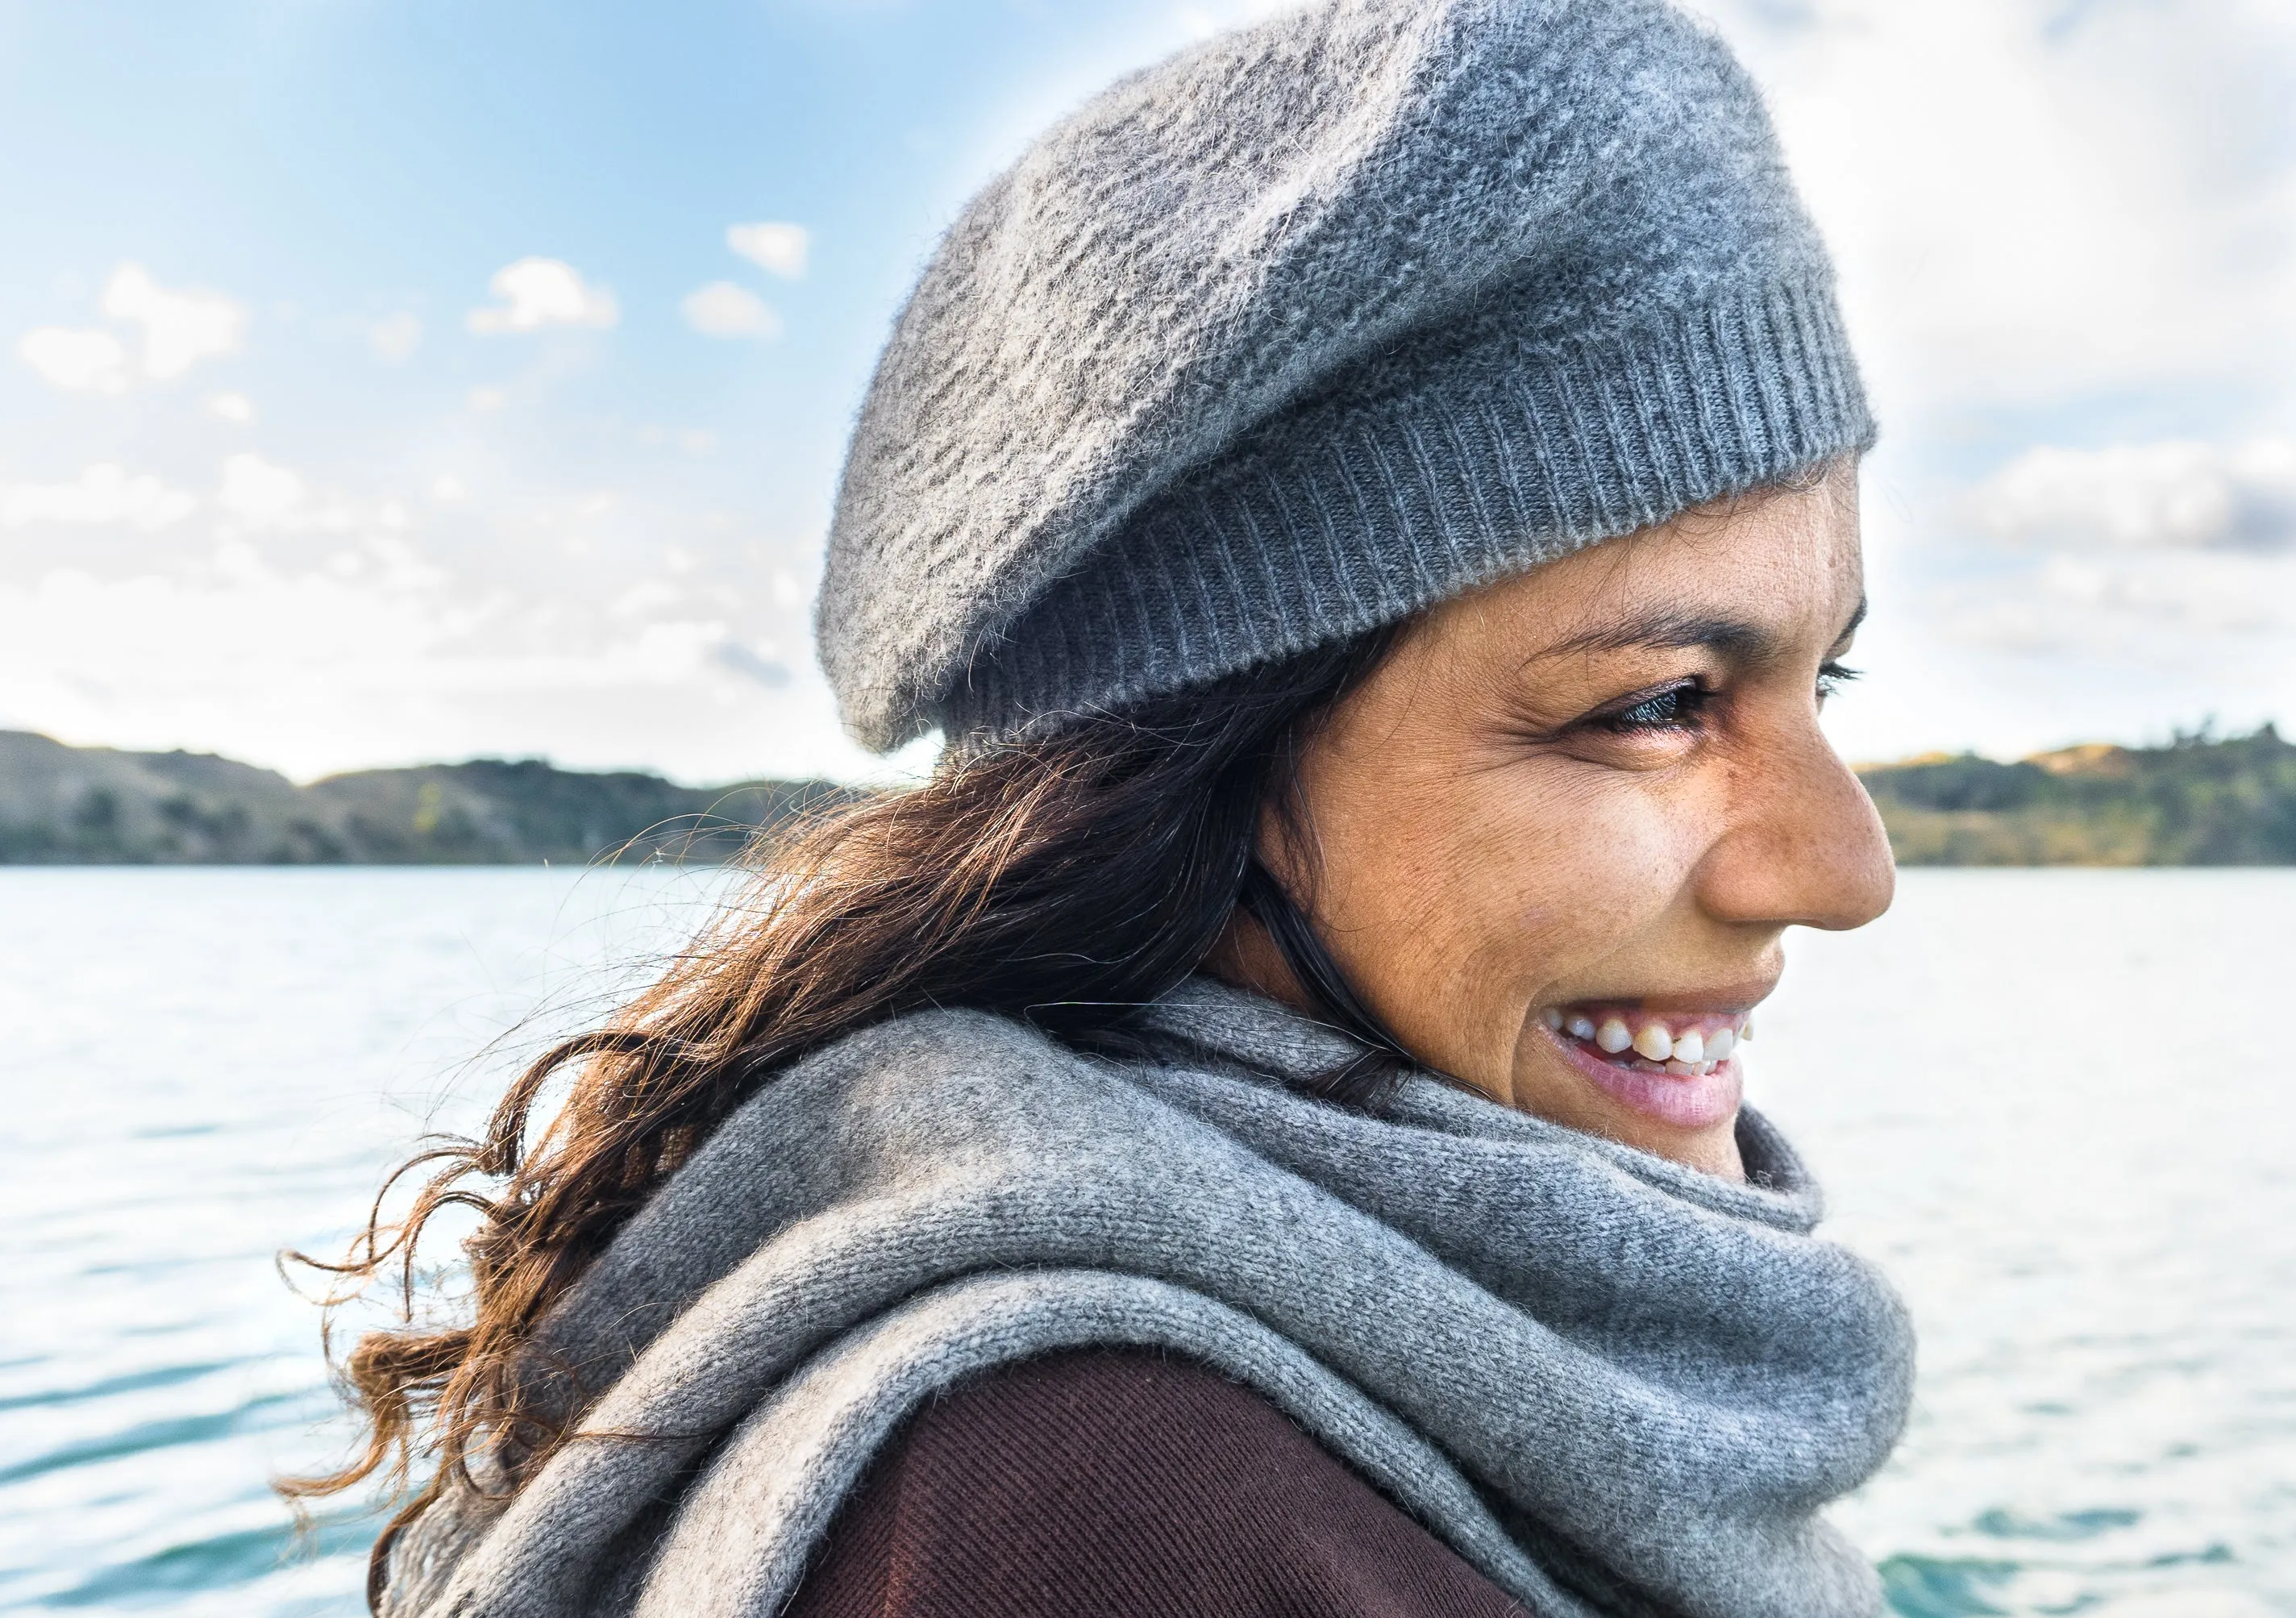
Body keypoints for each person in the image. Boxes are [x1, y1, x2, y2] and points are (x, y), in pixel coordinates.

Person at [297, 2, 1915, 1614]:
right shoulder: (1100, 1514)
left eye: (1819, 683)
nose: (1845, 872)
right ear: (1191, 772)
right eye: (1653, 705)